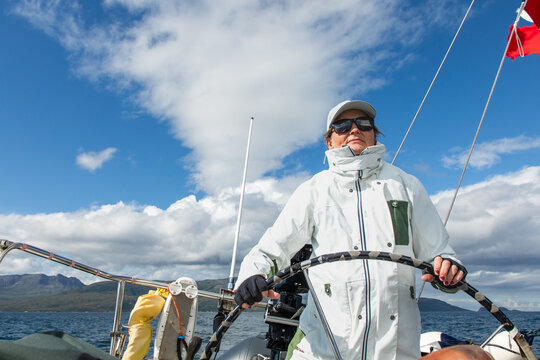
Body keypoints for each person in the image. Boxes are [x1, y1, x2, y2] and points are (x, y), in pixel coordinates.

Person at [234, 100, 466, 360]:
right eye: (342, 126)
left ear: (374, 134)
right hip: (323, 350)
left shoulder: (407, 186)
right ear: (329, 142)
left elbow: (440, 253)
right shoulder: (313, 191)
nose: (354, 129)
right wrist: (253, 275)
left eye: (363, 123)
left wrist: (449, 269)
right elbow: (270, 250)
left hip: (396, 352)